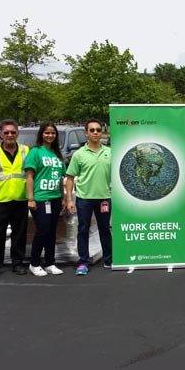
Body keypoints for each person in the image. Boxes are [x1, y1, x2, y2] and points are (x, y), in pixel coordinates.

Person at [0, 119, 30, 279]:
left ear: (18, 134)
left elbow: (30, 175)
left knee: (19, 233)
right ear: (1, 134)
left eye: (13, 132)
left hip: (20, 199)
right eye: (6, 132)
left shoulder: (26, 151)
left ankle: (18, 263)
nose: (10, 135)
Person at [66, 118, 112, 275]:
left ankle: (108, 259)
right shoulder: (79, 154)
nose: (96, 132)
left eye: (98, 130)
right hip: (84, 198)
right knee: (83, 229)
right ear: (86, 133)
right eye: (92, 130)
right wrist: (69, 200)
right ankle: (83, 262)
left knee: (105, 229)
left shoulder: (110, 152)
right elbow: (70, 177)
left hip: (104, 198)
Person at [25, 122, 67, 276]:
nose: (50, 136)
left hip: (55, 198)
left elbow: (60, 179)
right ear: (41, 134)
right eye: (47, 133)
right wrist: (30, 198)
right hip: (40, 198)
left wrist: (63, 198)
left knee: (51, 231)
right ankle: (34, 263)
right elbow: (29, 177)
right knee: (42, 230)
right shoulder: (35, 152)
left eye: (53, 133)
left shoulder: (58, 155)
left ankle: (50, 262)